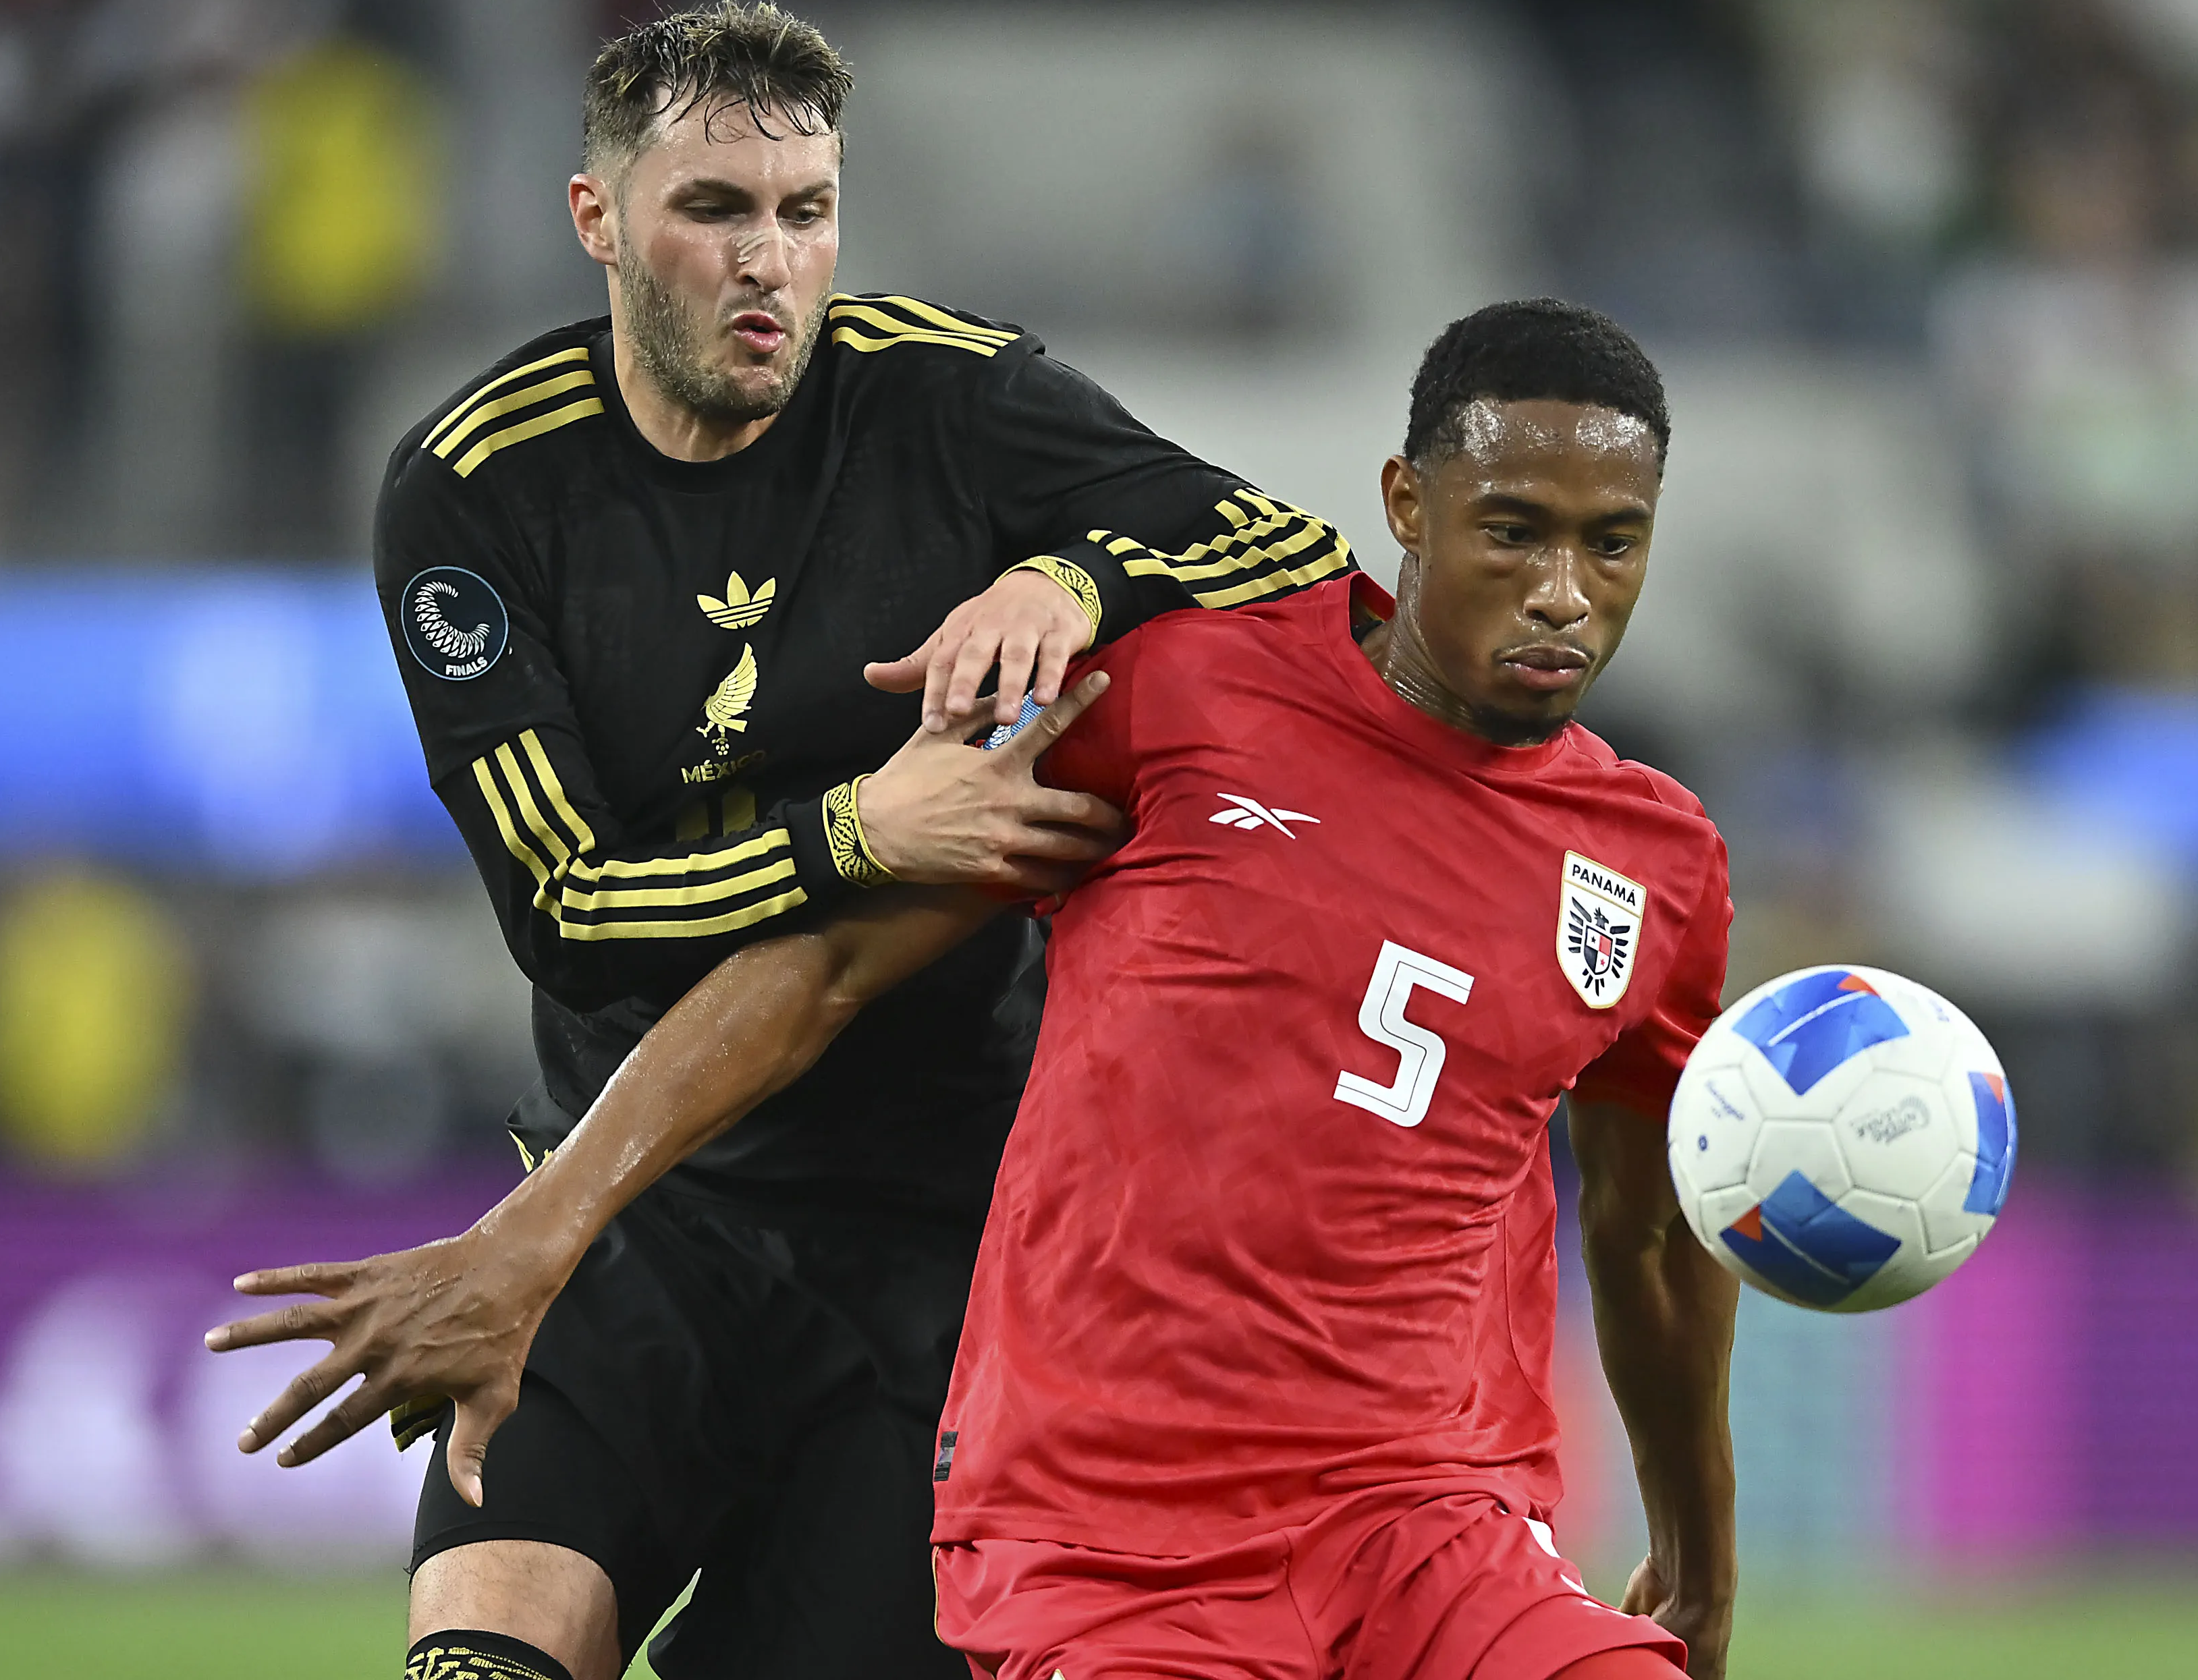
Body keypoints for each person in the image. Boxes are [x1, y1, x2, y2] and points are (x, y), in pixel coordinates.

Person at [218, 299, 1740, 1680]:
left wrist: (1697, 1557)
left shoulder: (1654, 866)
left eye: (1613, 546)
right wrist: (534, 1232)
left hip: (1428, 1521)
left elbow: (1650, 1230)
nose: (1563, 594)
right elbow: (823, 965)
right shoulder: (1182, 692)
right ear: (1406, 504)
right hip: (1112, 1538)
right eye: (1513, 533)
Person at [204, 0, 1348, 1680]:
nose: (769, 263)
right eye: (714, 209)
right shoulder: (476, 487)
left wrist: (1068, 575)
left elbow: (1292, 550)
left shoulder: (950, 397)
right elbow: (571, 912)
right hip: (635, 1209)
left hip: (941, 1253)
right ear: (598, 219)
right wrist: (862, 830)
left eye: (806, 212)